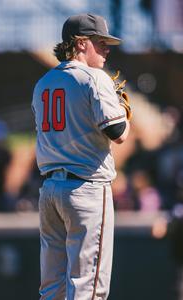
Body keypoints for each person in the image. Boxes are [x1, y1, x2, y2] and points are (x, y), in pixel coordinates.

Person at [31, 13, 130, 300]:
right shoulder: (94, 78)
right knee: (89, 287)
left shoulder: (43, 83)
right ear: (82, 43)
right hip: (84, 188)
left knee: (52, 288)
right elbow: (118, 132)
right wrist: (123, 108)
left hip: (50, 190)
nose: (107, 49)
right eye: (101, 43)